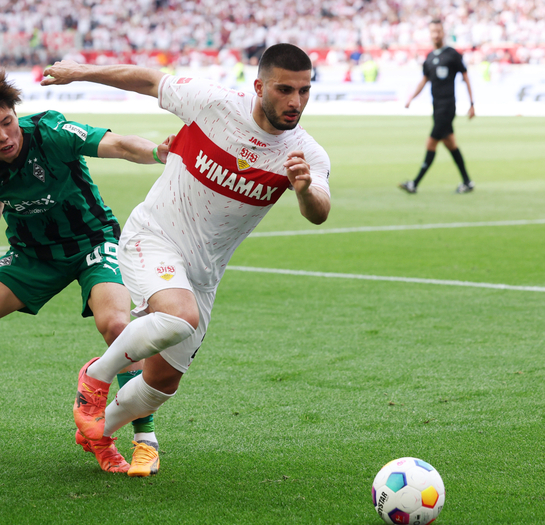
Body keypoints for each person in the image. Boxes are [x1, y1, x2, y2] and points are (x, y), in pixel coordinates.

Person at [41, 43, 332, 476]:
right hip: (153, 236)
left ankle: (98, 427)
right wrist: (81, 71)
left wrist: (304, 188)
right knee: (180, 316)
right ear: (259, 86)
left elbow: (319, 211)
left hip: (203, 273)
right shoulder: (213, 103)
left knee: (162, 381)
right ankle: (95, 379)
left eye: (305, 91)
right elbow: (146, 79)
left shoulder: (304, 154)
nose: (296, 102)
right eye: (285, 89)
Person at [0, 68, 168, 475]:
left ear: (15, 114)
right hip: (33, 254)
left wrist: (161, 153)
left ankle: (145, 439)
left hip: (94, 242)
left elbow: (118, 144)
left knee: (117, 326)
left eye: (7, 122)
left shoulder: (51, 132)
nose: (4, 135)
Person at [400, 19, 475, 194]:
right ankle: (467, 182)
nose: (436, 35)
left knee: (431, 142)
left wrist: (472, 104)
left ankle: (414, 183)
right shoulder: (430, 57)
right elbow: (424, 80)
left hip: (447, 107)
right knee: (451, 144)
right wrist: (411, 98)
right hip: (436, 107)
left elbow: (465, 77)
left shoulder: (452, 54)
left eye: (438, 31)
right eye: (433, 32)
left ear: (443, 33)